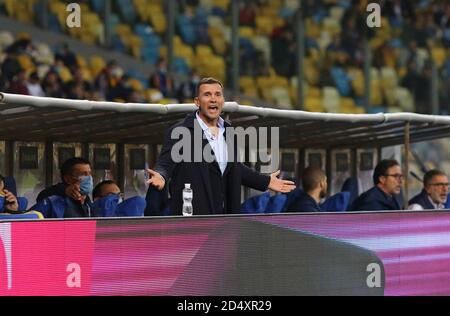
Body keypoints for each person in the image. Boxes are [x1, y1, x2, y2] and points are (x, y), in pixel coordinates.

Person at [146, 77, 295, 215]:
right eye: (207, 94)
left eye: (218, 94)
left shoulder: (229, 132)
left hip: (225, 221)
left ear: (223, 101)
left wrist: (266, 181)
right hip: (192, 220)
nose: (213, 99)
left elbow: (235, 168)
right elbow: (165, 164)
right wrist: (161, 176)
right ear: (197, 102)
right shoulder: (181, 132)